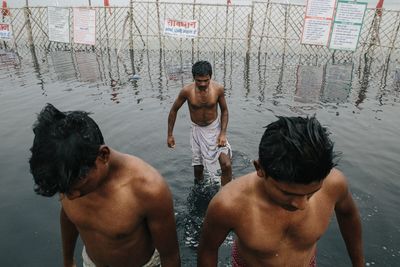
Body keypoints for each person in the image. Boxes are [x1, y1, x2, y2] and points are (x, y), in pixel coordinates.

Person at [197, 116, 364, 267]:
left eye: (311, 193)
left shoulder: (334, 185)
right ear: (260, 169)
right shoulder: (228, 204)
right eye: (288, 193)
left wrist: (358, 263)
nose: (301, 205)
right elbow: (208, 251)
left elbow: (349, 215)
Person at [29, 104, 181, 267]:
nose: (70, 197)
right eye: (64, 191)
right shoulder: (66, 177)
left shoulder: (148, 189)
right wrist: (68, 260)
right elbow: (68, 217)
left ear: (103, 156)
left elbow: (170, 256)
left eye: (76, 187)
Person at [167, 60, 232, 186]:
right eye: (199, 81)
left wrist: (223, 133)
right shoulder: (186, 91)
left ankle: (225, 193)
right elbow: (173, 110)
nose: (202, 84)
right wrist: (170, 135)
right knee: (198, 168)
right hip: (197, 131)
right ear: (193, 78)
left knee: (226, 164)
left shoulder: (218, 89)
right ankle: (199, 190)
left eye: (206, 80)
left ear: (210, 77)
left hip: (215, 129)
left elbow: (224, 111)